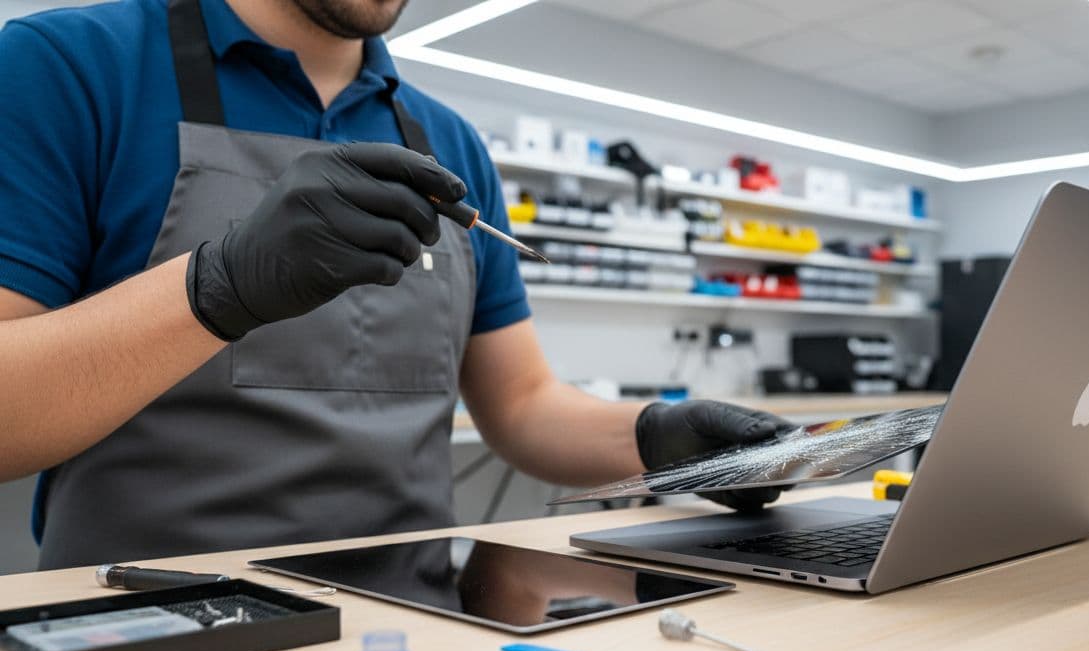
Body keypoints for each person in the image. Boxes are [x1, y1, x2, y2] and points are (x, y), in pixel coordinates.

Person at [0, 0, 788, 569]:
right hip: (142, 624)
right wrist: (221, 286)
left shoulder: (448, 144)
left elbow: (521, 407)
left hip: (411, 627)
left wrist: (662, 440)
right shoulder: (67, 68)